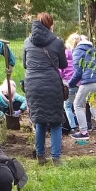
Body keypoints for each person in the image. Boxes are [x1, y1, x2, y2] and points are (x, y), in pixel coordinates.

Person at [23, 12, 69, 165]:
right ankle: (56, 158)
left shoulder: (27, 42)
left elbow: (25, 64)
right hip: (51, 84)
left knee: (39, 121)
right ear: (50, 25)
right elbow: (63, 64)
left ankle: (41, 157)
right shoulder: (57, 42)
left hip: (32, 85)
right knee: (56, 122)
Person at [69, 36, 96, 146]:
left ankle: (83, 131)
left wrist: (69, 84)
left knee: (77, 104)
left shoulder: (77, 51)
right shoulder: (93, 50)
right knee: (95, 108)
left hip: (88, 82)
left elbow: (78, 72)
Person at [62, 33, 79, 133]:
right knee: (78, 106)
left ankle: (72, 126)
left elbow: (61, 69)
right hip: (80, 83)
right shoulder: (79, 54)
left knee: (67, 106)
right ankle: (82, 125)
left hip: (69, 83)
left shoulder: (65, 54)